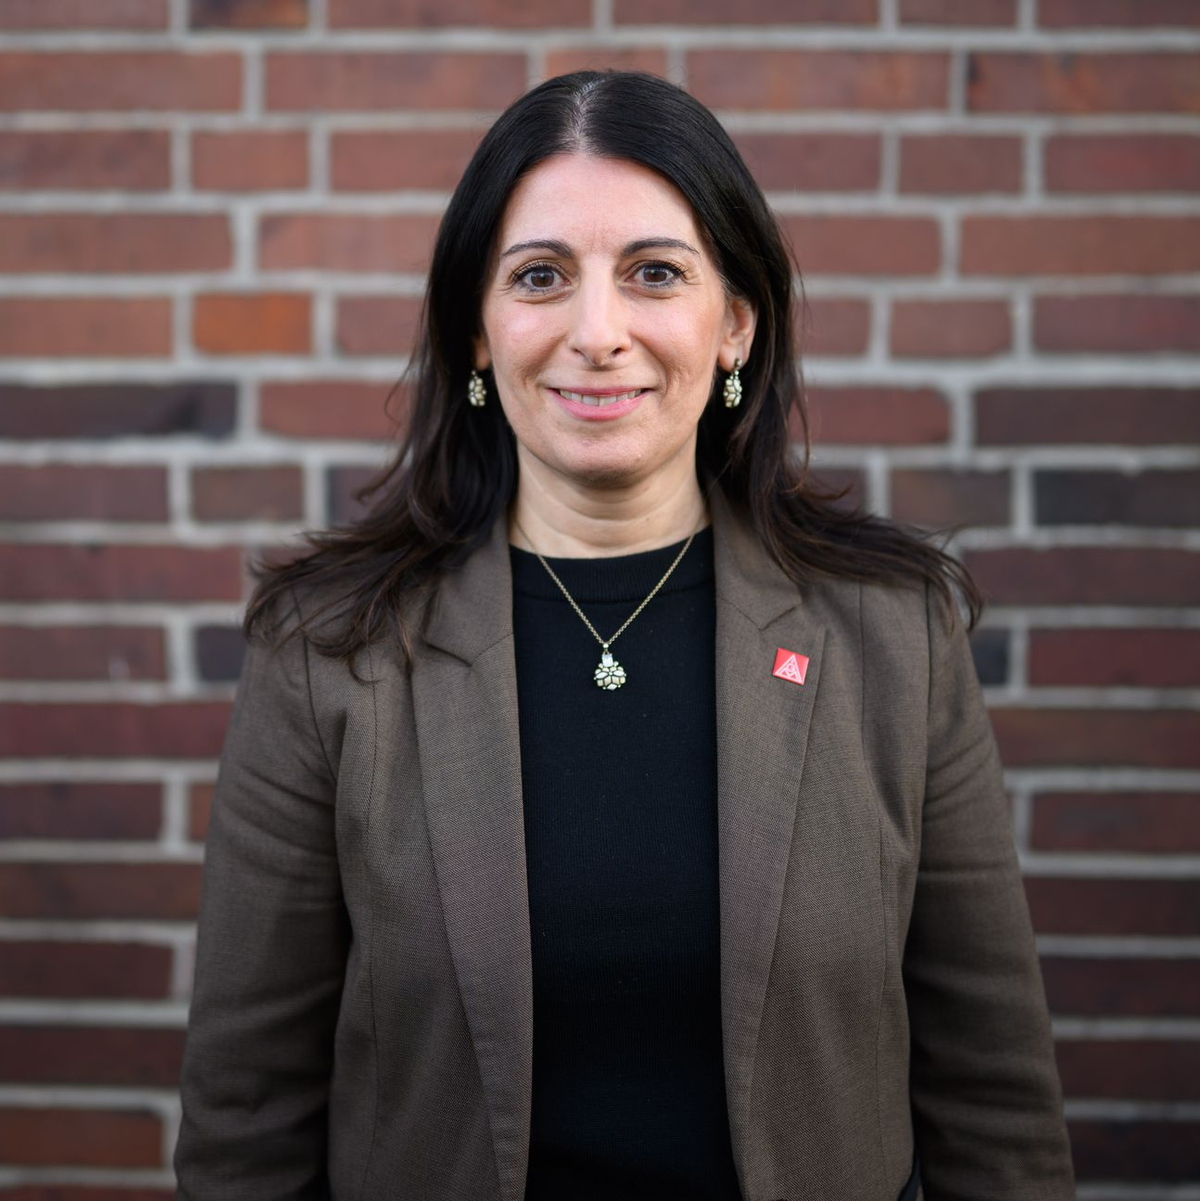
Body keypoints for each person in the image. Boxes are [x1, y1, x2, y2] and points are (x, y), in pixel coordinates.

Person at [174, 71, 1075, 1201]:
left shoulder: (895, 637)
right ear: (479, 331)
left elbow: (995, 1101)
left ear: (734, 322)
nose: (597, 334)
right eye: (541, 277)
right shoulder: (328, 654)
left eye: (655, 274)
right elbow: (246, 1115)